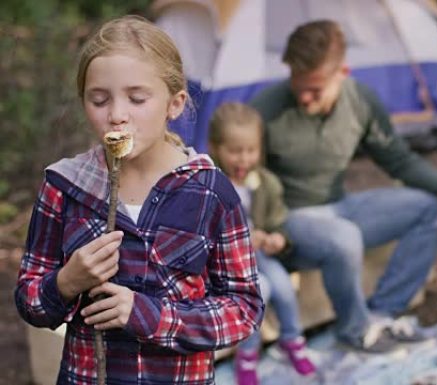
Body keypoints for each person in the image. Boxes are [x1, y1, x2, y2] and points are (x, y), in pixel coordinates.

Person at [14, 16, 263, 384]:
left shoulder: (211, 192)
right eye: (99, 99)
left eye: (137, 98)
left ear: (174, 104)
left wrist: (148, 314)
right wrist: (67, 282)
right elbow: (30, 301)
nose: (116, 115)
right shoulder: (65, 186)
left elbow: (243, 311)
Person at [250, 20, 437, 353]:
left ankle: (383, 314)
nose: (305, 98)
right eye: (299, 86)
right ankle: (355, 332)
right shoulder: (265, 109)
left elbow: (398, 159)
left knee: (430, 209)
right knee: (344, 236)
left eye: (315, 89)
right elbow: (237, 179)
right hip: (289, 220)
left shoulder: (360, 101)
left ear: (343, 72)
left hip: (341, 207)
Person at [208, 103, 316, 385]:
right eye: (235, 151)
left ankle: (292, 339)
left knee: (282, 284)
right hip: (227, 261)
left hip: (258, 255)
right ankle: (247, 352)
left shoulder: (265, 183)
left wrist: (278, 237)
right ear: (216, 148)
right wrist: (240, 240)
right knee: (258, 292)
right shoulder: (209, 183)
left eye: (251, 151)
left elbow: (277, 220)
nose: (244, 159)